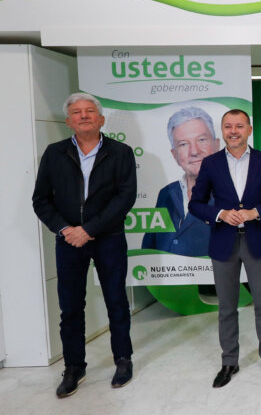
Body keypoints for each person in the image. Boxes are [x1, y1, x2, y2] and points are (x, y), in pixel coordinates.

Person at [32, 93, 137, 397]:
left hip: (109, 239)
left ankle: (123, 359)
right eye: (77, 112)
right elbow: (41, 200)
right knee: (70, 307)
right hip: (68, 242)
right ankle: (74, 367)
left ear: (101, 119)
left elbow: (124, 197)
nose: (84, 115)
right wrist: (66, 229)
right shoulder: (54, 154)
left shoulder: (121, 152)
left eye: (90, 111)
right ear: (68, 121)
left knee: (116, 301)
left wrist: (89, 229)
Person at [188, 109, 261, 388]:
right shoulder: (210, 163)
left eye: (239, 126)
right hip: (223, 242)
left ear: (249, 129)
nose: (234, 131)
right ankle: (229, 361)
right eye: (228, 126)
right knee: (226, 306)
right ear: (222, 131)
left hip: (257, 240)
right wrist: (220, 213)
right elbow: (196, 204)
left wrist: (255, 212)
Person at [142, 106, 219, 256]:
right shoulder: (166, 193)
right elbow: (148, 249)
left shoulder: (233, 192)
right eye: (183, 144)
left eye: (202, 140)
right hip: (167, 278)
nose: (194, 151)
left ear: (216, 145)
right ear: (174, 155)